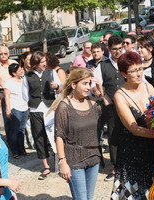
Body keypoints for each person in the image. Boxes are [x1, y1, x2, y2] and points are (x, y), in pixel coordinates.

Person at [111, 51, 154, 199]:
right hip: (133, 152)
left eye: (140, 69)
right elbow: (134, 129)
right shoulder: (120, 96)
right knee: (134, 194)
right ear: (123, 74)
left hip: (153, 149)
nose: (139, 74)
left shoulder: (148, 86)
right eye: (133, 71)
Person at [55, 68, 103, 200]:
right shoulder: (64, 106)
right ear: (74, 85)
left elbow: (110, 111)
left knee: (89, 197)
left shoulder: (93, 104)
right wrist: (62, 162)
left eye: (89, 83)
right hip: (75, 159)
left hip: (94, 157)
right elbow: (59, 135)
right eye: (84, 83)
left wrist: (100, 88)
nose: (88, 87)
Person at [23, 51, 62, 180]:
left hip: (50, 108)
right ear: (35, 64)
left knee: (54, 135)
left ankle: (60, 161)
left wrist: (56, 87)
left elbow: (61, 89)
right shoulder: (27, 76)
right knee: (39, 138)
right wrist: (32, 104)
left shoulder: (51, 72)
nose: (45, 63)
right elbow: (25, 95)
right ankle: (46, 166)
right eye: (42, 62)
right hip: (35, 110)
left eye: (45, 61)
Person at [92, 35, 125, 181]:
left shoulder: (128, 61)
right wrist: (97, 91)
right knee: (113, 136)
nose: (118, 52)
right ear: (109, 49)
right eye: (114, 49)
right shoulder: (102, 66)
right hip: (110, 105)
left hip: (128, 104)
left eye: (120, 48)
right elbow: (95, 85)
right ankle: (116, 167)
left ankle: (129, 164)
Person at [0, 46, 18, 143]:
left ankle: (19, 142)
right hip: (2, 93)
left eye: (5, 53)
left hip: (15, 93)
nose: (3, 56)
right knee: (7, 118)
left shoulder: (14, 63)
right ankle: (11, 142)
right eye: (1, 54)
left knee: (18, 117)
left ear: (8, 54)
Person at [4, 63, 29, 159]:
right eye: (19, 70)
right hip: (15, 108)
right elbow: (7, 96)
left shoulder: (23, 80)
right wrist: (8, 109)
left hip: (25, 107)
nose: (21, 71)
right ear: (14, 73)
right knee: (14, 130)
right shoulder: (8, 82)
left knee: (21, 130)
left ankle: (22, 150)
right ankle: (14, 151)